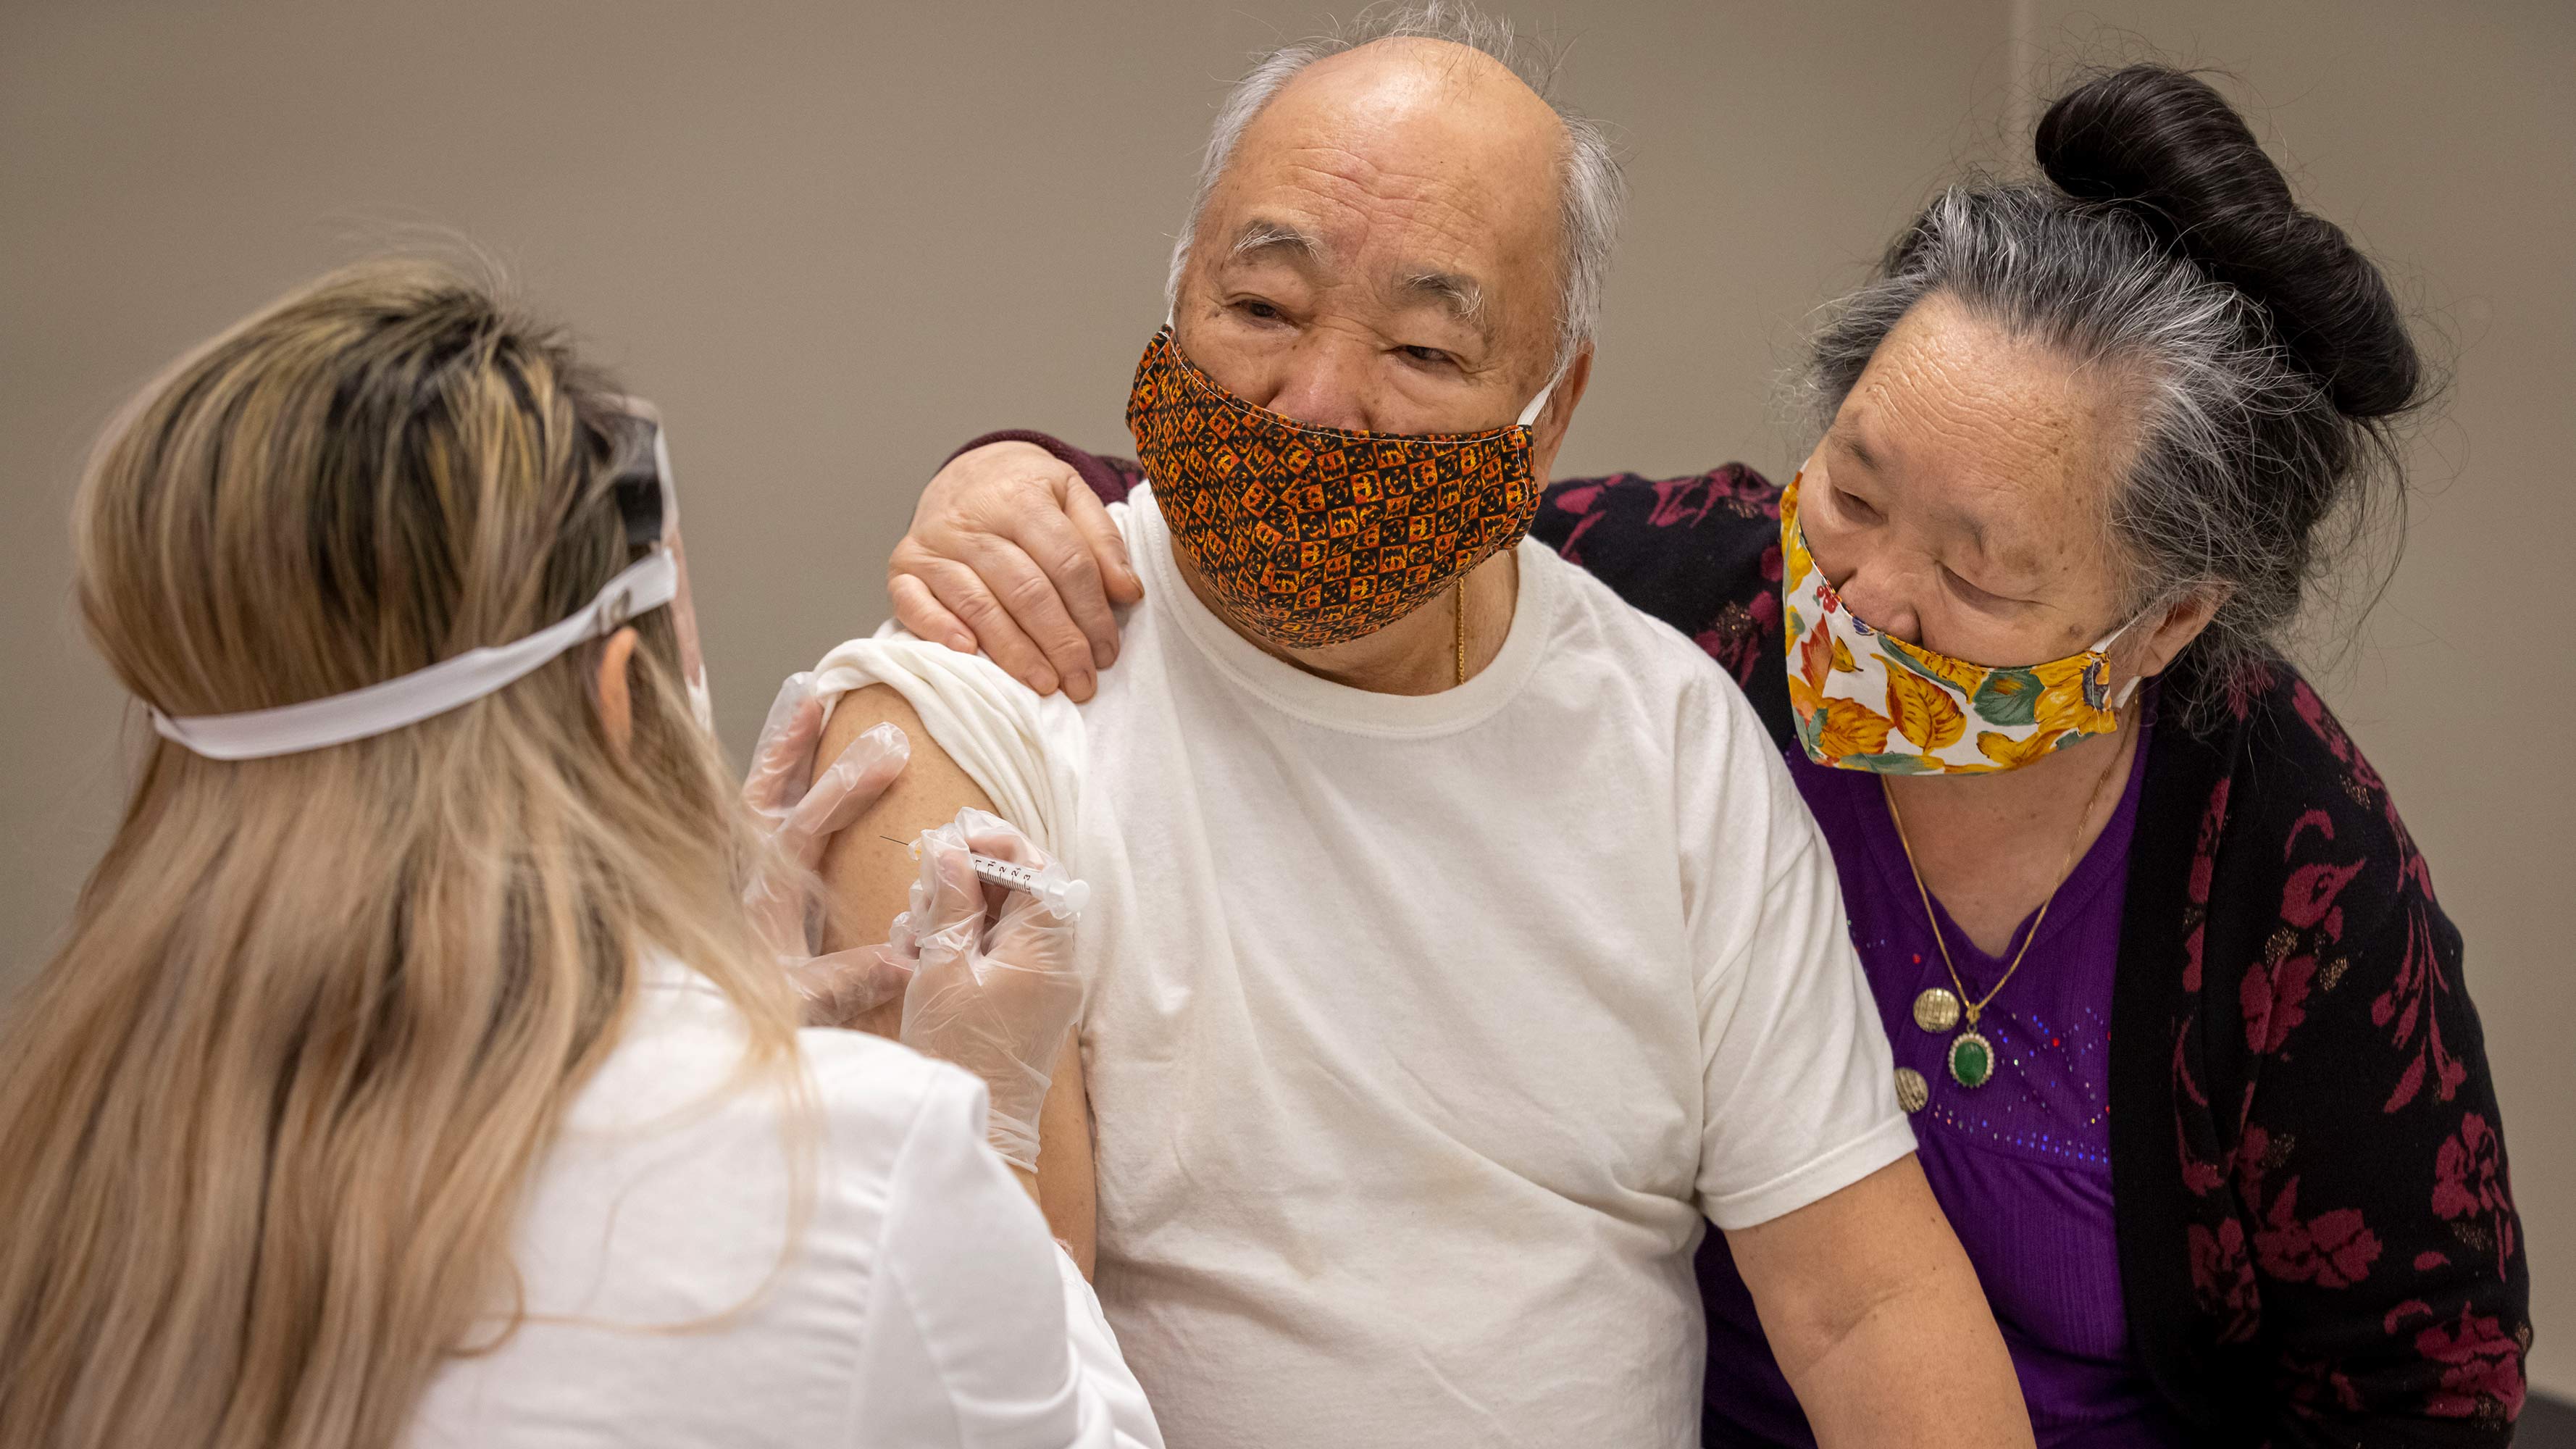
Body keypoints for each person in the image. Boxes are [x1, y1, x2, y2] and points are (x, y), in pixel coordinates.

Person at [887, 62, 2534, 1448]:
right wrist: (1002, 477)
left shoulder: (2291, 870)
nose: (1867, 595)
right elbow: (1307, 501)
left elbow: (2415, 1385)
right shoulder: (1697, 603)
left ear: (2164, 625)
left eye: (1974, 571)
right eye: (1855, 486)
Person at [803, 12, 2034, 1449]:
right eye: (1258, 309)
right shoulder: (971, 709)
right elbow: (1000, 1342)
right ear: (1172, 305)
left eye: (1423, 347)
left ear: (1548, 410)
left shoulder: (1672, 740)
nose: (1319, 404)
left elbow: (1862, 1304)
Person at [0, 261, 1162, 1449]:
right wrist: (993, 1125)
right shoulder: (861, 1169)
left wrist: (713, 1027)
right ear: (619, 699)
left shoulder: (58, 1159)